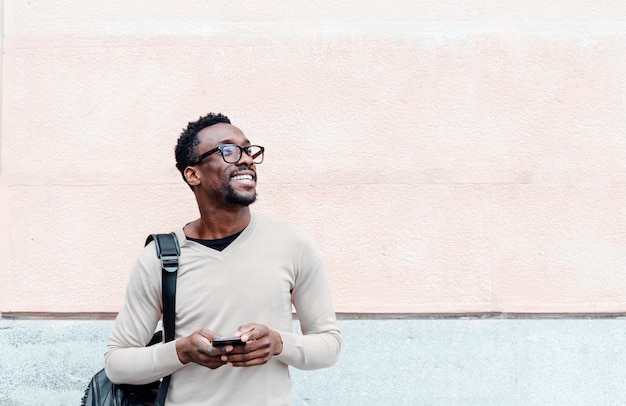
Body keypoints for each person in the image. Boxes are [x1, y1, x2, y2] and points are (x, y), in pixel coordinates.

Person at [104, 113, 342, 405]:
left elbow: (329, 345)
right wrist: (181, 351)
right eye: (228, 150)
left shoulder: (293, 244)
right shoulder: (160, 256)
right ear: (194, 174)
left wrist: (279, 343)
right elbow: (117, 363)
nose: (246, 160)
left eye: (248, 149)